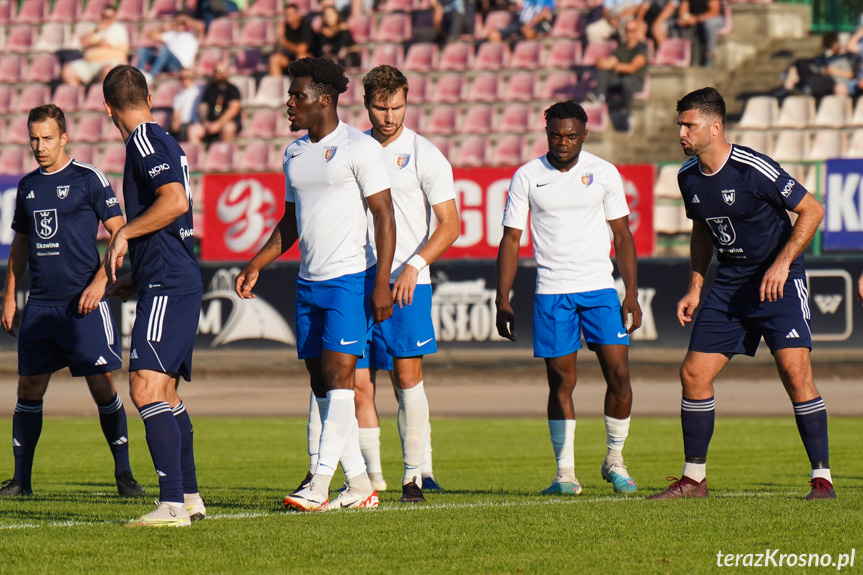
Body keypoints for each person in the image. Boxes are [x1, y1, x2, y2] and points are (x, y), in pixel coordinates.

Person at [648, 87, 834, 501]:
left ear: (715, 127)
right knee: (693, 374)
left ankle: (822, 479)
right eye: (679, 124)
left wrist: (783, 263)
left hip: (777, 282)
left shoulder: (753, 168)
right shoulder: (687, 177)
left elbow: (813, 209)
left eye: (689, 125)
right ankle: (694, 480)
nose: (681, 132)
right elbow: (701, 229)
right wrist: (696, 286)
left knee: (795, 374)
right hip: (729, 285)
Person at [235, 57, 396, 512]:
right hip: (308, 283)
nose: (289, 103)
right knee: (321, 384)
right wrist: (256, 264)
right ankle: (361, 484)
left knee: (339, 376)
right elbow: (290, 222)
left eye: (297, 96)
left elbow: (385, 216)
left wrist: (381, 281)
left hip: (350, 278)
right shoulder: (294, 153)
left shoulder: (359, 149)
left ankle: (320, 483)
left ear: (323, 100)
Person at [301, 65, 459, 503]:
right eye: (380, 107)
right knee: (350, 381)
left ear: (407, 100)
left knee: (407, 378)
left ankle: (414, 476)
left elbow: (450, 225)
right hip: (354, 278)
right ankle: (359, 477)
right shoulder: (350, 149)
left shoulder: (426, 155)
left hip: (407, 282)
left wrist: (414, 265)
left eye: (397, 106)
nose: (389, 117)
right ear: (366, 104)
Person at [496, 101, 643, 496]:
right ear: (547, 133)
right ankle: (565, 474)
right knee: (562, 382)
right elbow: (511, 239)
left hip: (598, 289)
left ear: (585, 134)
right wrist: (502, 298)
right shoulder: (527, 175)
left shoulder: (603, 173)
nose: (563, 143)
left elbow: (623, 236)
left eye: (571, 136)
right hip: (552, 292)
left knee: (620, 377)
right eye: (556, 135)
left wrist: (630, 293)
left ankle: (615, 460)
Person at [0, 104, 145, 499]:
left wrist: (101, 282)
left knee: (101, 386)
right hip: (41, 306)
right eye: (34, 138)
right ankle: (20, 481)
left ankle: (124, 474)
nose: (40, 146)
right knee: (28, 388)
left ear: (64, 137)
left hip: (83, 303)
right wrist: (10, 294)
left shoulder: (88, 179)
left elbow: (121, 234)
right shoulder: (28, 187)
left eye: (47, 138)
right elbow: (21, 245)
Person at [102, 65, 206, 526]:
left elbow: (175, 201)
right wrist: (135, 277)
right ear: (148, 94)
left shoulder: (144, 140)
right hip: (168, 277)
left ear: (108, 110)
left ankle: (170, 504)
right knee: (164, 392)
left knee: (144, 387)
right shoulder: (161, 138)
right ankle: (188, 496)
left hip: (169, 281)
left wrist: (124, 233)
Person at [593, 19, 648, 132]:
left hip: (635, 81)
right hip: (620, 80)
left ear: (637, 31)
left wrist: (613, 65)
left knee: (627, 81)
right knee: (603, 72)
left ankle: (628, 116)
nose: (630, 33)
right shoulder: (621, 48)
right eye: (627, 30)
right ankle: (599, 99)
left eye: (632, 30)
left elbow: (632, 68)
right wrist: (602, 62)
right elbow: (608, 62)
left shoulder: (642, 48)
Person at [61, 5, 129, 86]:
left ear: (114, 17)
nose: (106, 19)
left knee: (108, 71)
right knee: (67, 71)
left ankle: (100, 95)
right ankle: (79, 95)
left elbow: (104, 43)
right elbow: (83, 42)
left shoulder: (118, 28)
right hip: (89, 63)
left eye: (109, 17)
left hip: (109, 63)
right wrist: (96, 31)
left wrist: (90, 44)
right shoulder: (95, 27)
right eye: (104, 16)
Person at [136, 14, 204, 79]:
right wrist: (162, 27)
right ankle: (138, 75)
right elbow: (150, 35)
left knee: (165, 51)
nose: (179, 24)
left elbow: (201, 26)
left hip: (180, 66)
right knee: (144, 50)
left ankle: (150, 77)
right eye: (177, 22)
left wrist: (185, 18)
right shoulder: (171, 35)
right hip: (166, 63)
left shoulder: (192, 36)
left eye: (181, 23)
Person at [189, 63, 242, 145]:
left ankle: (224, 154)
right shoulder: (210, 89)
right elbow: (203, 107)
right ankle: (196, 156)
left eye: (223, 71)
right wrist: (205, 122)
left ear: (228, 72)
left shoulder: (233, 89)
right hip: (210, 123)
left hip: (227, 122)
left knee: (228, 128)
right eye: (218, 71)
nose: (221, 74)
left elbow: (234, 108)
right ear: (214, 73)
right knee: (193, 130)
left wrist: (219, 124)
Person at [269, 4, 315, 77]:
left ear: (298, 14)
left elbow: (302, 50)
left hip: (309, 59)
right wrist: (279, 35)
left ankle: (299, 86)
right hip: (291, 59)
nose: (288, 17)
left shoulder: (305, 26)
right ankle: (277, 85)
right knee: (274, 59)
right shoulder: (284, 27)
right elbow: (277, 51)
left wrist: (284, 41)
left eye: (291, 14)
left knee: (301, 57)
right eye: (286, 15)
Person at [674, 0, 723, 66]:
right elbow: (683, 11)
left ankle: (710, 55)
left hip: (713, 19)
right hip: (695, 20)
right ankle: (684, 57)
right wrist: (684, 19)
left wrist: (696, 19)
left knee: (709, 24)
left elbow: (714, 12)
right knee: (676, 25)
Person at [315, 5, 361, 70]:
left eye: (331, 15)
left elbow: (339, 47)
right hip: (333, 59)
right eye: (326, 16)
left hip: (349, 58)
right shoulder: (323, 31)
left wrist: (330, 48)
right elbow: (322, 48)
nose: (328, 18)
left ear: (336, 15)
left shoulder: (343, 29)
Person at [486, 0, 554, 43]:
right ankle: (508, 60)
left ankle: (529, 57)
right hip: (520, 24)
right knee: (493, 34)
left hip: (537, 24)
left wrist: (529, 25)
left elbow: (545, 12)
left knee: (529, 33)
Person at [170, 69, 203, 143]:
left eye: (187, 77)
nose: (185, 80)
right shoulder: (178, 96)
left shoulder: (199, 90)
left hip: (194, 122)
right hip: (183, 124)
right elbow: (176, 112)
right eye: (182, 78)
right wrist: (175, 121)